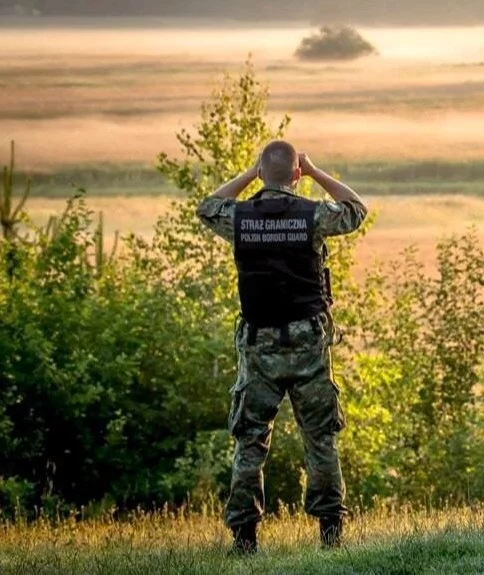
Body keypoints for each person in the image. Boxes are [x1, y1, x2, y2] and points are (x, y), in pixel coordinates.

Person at [196, 140, 367, 554]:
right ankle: (330, 531)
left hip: (258, 346)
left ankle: (244, 538)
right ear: (295, 174)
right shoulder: (312, 216)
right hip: (308, 343)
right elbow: (355, 210)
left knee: (250, 441)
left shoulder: (239, 218)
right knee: (320, 439)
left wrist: (250, 174)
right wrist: (314, 170)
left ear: (262, 171)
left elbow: (206, 207)